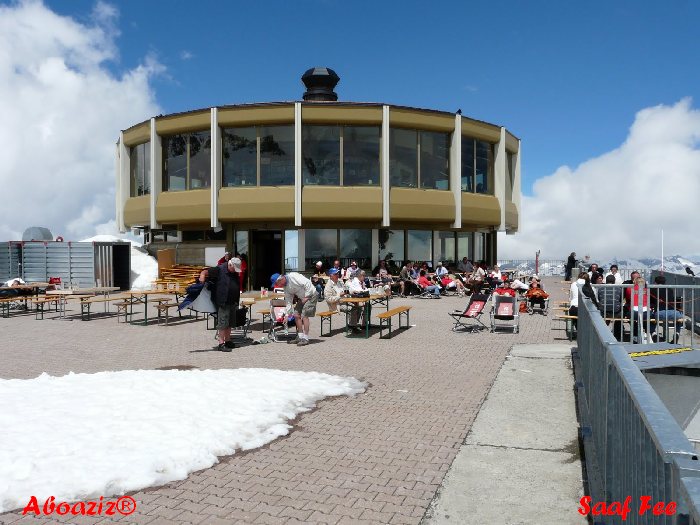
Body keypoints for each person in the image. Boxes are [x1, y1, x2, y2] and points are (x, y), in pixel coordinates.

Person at [199, 257, 242, 352]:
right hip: (223, 302)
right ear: (230, 265)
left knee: (230, 323)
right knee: (223, 323)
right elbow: (205, 272)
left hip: (232, 301)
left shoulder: (233, 272)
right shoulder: (219, 269)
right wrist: (202, 275)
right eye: (234, 268)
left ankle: (228, 341)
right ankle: (221, 343)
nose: (235, 270)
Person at [271, 272, 318, 346]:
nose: (278, 286)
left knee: (304, 315)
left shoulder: (293, 276)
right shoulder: (285, 288)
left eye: (277, 284)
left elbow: (307, 283)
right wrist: (287, 315)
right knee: (296, 315)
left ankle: (305, 338)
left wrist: (307, 296)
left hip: (311, 294)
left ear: (280, 279)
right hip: (302, 297)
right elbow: (288, 302)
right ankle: (300, 336)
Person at [649, 275, 684, 343]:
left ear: (655, 282)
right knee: (679, 318)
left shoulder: (652, 290)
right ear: (664, 282)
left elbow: (651, 303)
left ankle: (653, 334)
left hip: (660, 313)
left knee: (650, 316)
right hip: (674, 313)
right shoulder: (670, 289)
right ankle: (677, 333)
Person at [598, 274, 623, 340]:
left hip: (603, 311)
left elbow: (599, 299)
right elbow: (620, 300)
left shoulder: (601, 288)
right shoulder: (619, 289)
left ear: (606, 281)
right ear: (614, 281)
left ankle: (603, 333)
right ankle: (617, 335)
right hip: (615, 312)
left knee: (606, 315)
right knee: (620, 316)